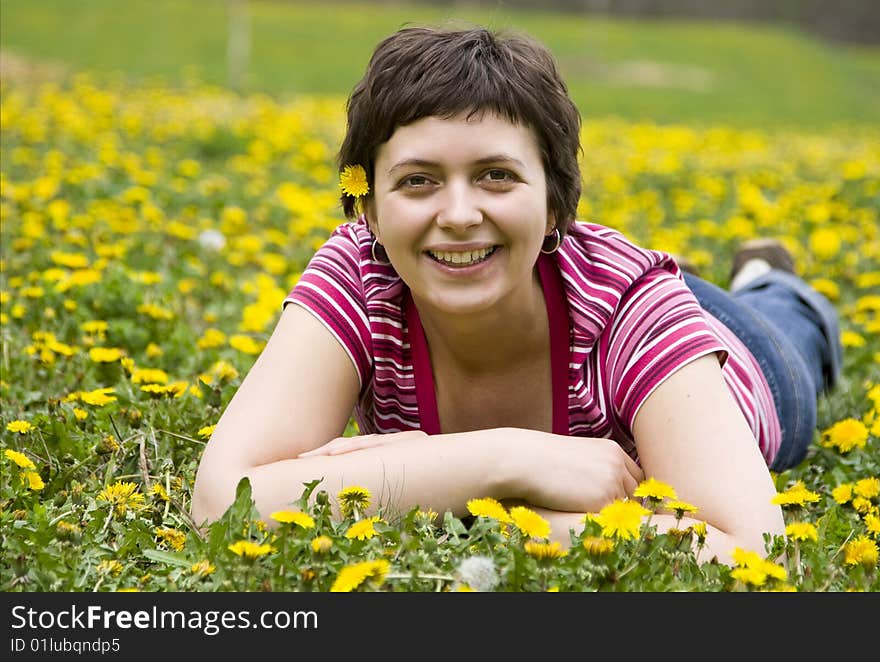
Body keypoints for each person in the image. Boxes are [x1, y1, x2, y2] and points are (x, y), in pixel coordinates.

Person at [191, 24, 843, 566]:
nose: (458, 213)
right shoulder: (361, 271)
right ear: (368, 211)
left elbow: (749, 549)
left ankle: (764, 279)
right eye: (418, 181)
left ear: (558, 201)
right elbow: (221, 504)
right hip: (577, 289)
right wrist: (503, 460)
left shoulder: (630, 305)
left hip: (742, 361)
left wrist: (415, 481)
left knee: (785, 327)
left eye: (495, 176)